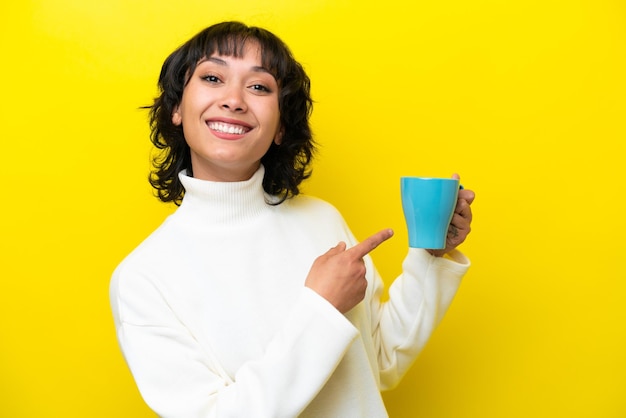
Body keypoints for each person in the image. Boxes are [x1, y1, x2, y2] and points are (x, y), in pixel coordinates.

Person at [110, 21, 475, 418]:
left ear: (281, 126)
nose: (234, 100)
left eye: (259, 87)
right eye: (213, 77)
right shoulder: (142, 279)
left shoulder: (321, 219)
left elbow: (381, 362)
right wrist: (321, 307)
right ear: (177, 108)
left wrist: (430, 256)